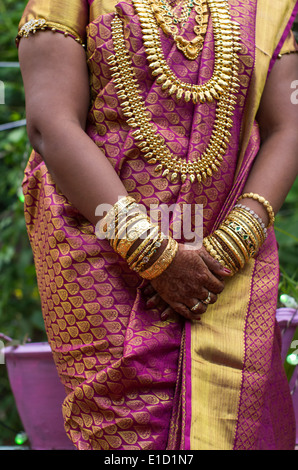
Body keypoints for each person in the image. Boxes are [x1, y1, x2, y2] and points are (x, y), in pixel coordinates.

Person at [16, 0, 298, 450]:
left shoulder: (267, 5)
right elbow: (50, 123)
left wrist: (230, 246)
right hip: (103, 254)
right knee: (126, 435)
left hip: (225, 263)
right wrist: (155, 256)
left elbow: (289, 125)